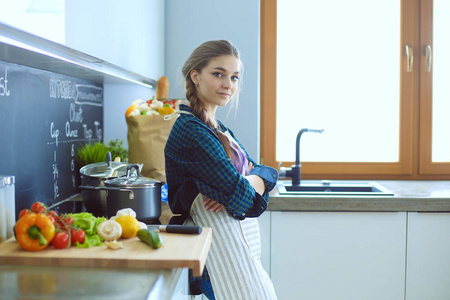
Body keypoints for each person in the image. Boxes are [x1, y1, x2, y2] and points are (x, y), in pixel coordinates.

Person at [164, 40, 278, 300]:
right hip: (221, 253)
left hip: (241, 249)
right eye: (218, 74)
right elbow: (241, 197)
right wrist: (251, 182)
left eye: (234, 77)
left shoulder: (218, 129)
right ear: (195, 76)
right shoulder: (191, 131)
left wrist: (252, 180)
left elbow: (266, 174)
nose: (229, 84)